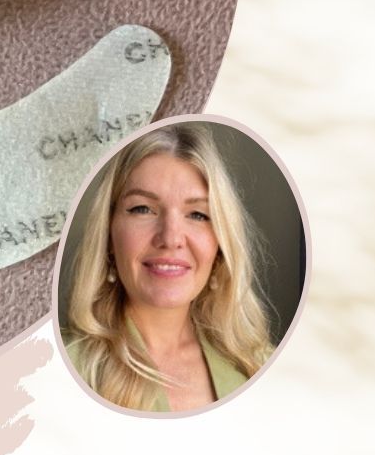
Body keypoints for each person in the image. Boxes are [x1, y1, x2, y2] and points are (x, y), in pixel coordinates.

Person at [63, 123, 273, 412]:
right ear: (109, 235)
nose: (171, 238)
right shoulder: (56, 372)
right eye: (142, 209)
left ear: (220, 246)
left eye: (198, 214)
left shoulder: (261, 365)